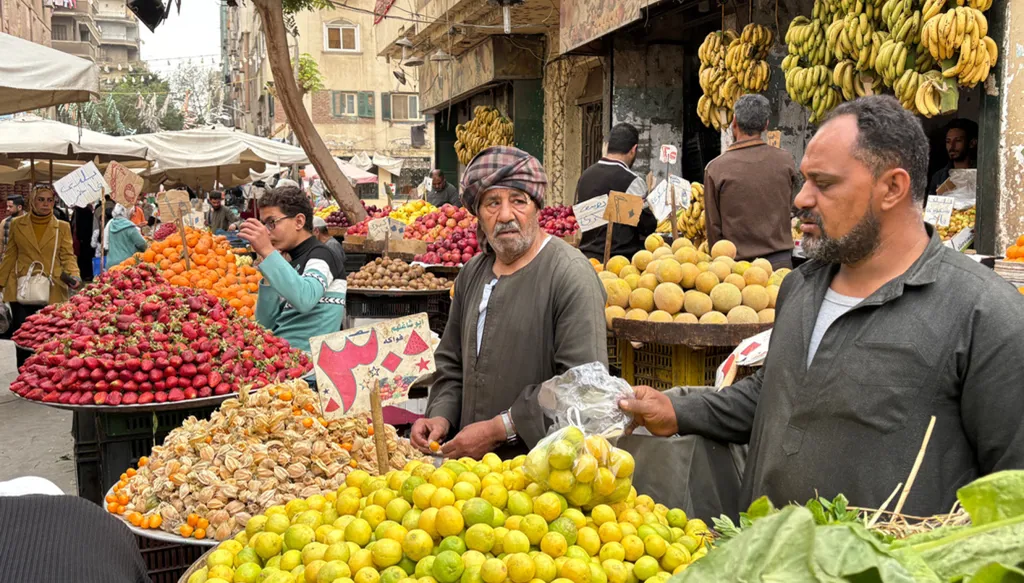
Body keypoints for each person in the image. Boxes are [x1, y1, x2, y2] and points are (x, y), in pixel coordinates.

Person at [618, 96, 1024, 517]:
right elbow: (773, 396)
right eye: (805, 181)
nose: (801, 200)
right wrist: (678, 408)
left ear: (892, 187)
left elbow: (1012, 503)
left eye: (824, 184)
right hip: (765, 559)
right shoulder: (801, 287)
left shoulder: (985, 315)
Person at [411, 146, 608, 460]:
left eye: (518, 200)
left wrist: (498, 429)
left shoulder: (570, 275)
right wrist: (441, 416)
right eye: (492, 203)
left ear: (536, 208)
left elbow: (585, 388)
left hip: (540, 477)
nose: (505, 215)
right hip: (468, 479)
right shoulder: (472, 274)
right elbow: (450, 364)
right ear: (478, 214)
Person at [238, 184, 346, 352]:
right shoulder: (288, 262)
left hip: (307, 364)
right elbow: (265, 324)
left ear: (299, 221)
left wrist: (268, 251)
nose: (266, 232)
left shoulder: (321, 255)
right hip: (280, 356)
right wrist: (268, 273)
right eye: (264, 224)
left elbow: (305, 299)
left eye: (271, 223)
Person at [704, 94, 799, 269]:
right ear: (766, 125)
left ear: (734, 122)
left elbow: (713, 228)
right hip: (779, 264)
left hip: (736, 269)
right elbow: (795, 206)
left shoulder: (716, 168)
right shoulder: (786, 161)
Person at [0, 187, 81, 364]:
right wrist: (1, 282)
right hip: (21, 286)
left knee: (50, 337)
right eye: (41, 200)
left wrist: (74, 274)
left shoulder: (62, 227)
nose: (46, 204)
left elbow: (67, 255)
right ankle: (24, 375)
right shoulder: (16, 224)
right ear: (32, 202)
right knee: (23, 336)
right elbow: (10, 255)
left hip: (53, 286)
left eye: (49, 200)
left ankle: (45, 376)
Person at [576, 123, 657, 261]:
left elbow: (583, 220)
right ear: (634, 149)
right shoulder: (631, 181)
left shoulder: (585, 176)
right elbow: (646, 226)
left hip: (588, 259)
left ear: (607, 146)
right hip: (620, 263)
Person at [927, 119, 978, 196]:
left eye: (958, 140)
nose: (952, 146)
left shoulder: (981, 174)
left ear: (972, 143)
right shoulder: (939, 177)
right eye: (948, 141)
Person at [104, 204, 148, 268]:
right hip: (127, 264)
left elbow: (105, 245)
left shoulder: (110, 224)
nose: (132, 213)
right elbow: (142, 244)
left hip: (111, 263)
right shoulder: (130, 226)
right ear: (126, 212)